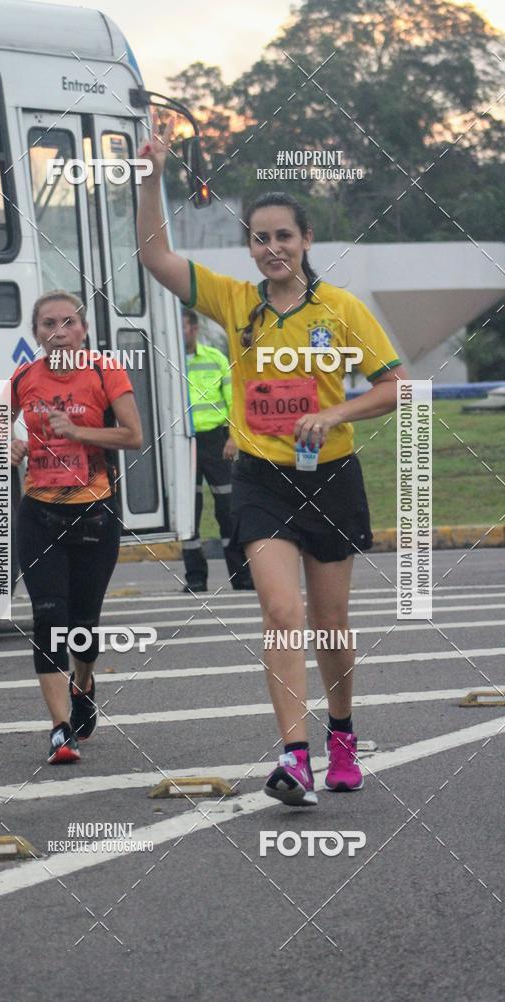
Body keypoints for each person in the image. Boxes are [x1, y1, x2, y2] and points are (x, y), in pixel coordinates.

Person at [137, 118, 408, 806]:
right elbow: (154, 256)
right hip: (261, 478)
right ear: (250, 246)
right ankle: (294, 758)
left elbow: (393, 387)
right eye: (260, 237)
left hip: (331, 476)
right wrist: (152, 175)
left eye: (285, 235)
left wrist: (334, 412)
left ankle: (341, 735)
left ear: (307, 240)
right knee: (281, 612)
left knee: (331, 625)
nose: (273, 247)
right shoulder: (236, 303)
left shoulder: (341, 310)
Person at [9, 291, 142, 764]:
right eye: (48, 324)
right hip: (39, 513)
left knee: (84, 625)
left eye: (68, 322)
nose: (58, 331)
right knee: (48, 617)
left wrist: (79, 432)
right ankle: (59, 729)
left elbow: (133, 435)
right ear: (37, 333)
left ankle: (83, 684)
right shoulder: (24, 377)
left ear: (83, 331)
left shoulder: (106, 372)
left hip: (94, 512)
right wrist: (10, 443)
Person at [182, 307, 254, 592]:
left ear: (195, 328)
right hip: (183, 443)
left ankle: (241, 577)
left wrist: (233, 437)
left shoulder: (215, 359)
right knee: (190, 513)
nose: (181, 332)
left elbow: (235, 400)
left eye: (184, 327)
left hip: (216, 442)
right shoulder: (166, 362)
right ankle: (195, 579)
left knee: (228, 510)